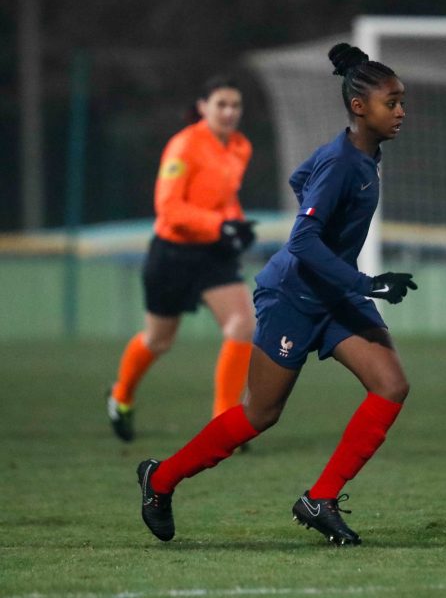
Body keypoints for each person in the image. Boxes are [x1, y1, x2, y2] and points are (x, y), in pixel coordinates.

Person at [136, 43, 417, 546]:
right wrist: (364, 282)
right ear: (360, 108)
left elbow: (297, 178)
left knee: (391, 384)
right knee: (259, 414)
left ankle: (321, 499)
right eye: (391, 102)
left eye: (400, 101)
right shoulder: (341, 163)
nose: (401, 111)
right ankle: (159, 481)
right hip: (293, 297)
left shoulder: (362, 155)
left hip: (334, 296)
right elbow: (301, 239)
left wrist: (350, 283)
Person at [106, 76, 257, 442]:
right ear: (203, 107)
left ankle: (224, 423)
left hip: (212, 254)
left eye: (235, 105)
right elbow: (169, 209)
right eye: (220, 104)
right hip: (172, 253)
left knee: (243, 324)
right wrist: (221, 225)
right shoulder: (184, 145)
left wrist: (236, 224)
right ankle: (121, 396)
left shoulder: (240, 147)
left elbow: (226, 199)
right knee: (159, 340)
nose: (229, 112)